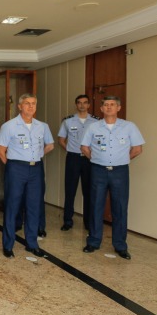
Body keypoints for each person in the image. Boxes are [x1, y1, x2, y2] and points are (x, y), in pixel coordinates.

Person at [80, 96, 144, 260]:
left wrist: (122, 160)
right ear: (101, 109)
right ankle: (93, 241)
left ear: (119, 108)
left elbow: (137, 149)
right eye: (106, 105)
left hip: (120, 172)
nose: (109, 107)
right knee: (95, 206)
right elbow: (84, 147)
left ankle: (120, 245)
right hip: (98, 171)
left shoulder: (129, 127)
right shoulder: (93, 127)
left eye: (112, 105)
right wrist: (95, 159)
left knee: (120, 208)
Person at [0, 93, 54, 258]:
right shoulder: (9, 126)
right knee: (12, 206)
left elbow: (50, 145)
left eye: (33, 103)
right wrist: (13, 165)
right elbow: (0, 150)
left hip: (35, 168)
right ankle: (8, 245)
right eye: (27, 103)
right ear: (20, 106)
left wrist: (36, 154)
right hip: (16, 168)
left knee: (34, 206)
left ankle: (32, 243)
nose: (30, 106)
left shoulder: (42, 126)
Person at [58, 94, 99, 231]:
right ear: (76, 105)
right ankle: (67, 221)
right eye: (79, 103)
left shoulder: (96, 122)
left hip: (89, 159)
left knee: (88, 191)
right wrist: (69, 149)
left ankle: (88, 222)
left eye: (85, 103)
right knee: (70, 190)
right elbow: (61, 140)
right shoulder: (68, 121)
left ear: (89, 105)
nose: (82, 105)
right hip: (73, 158)